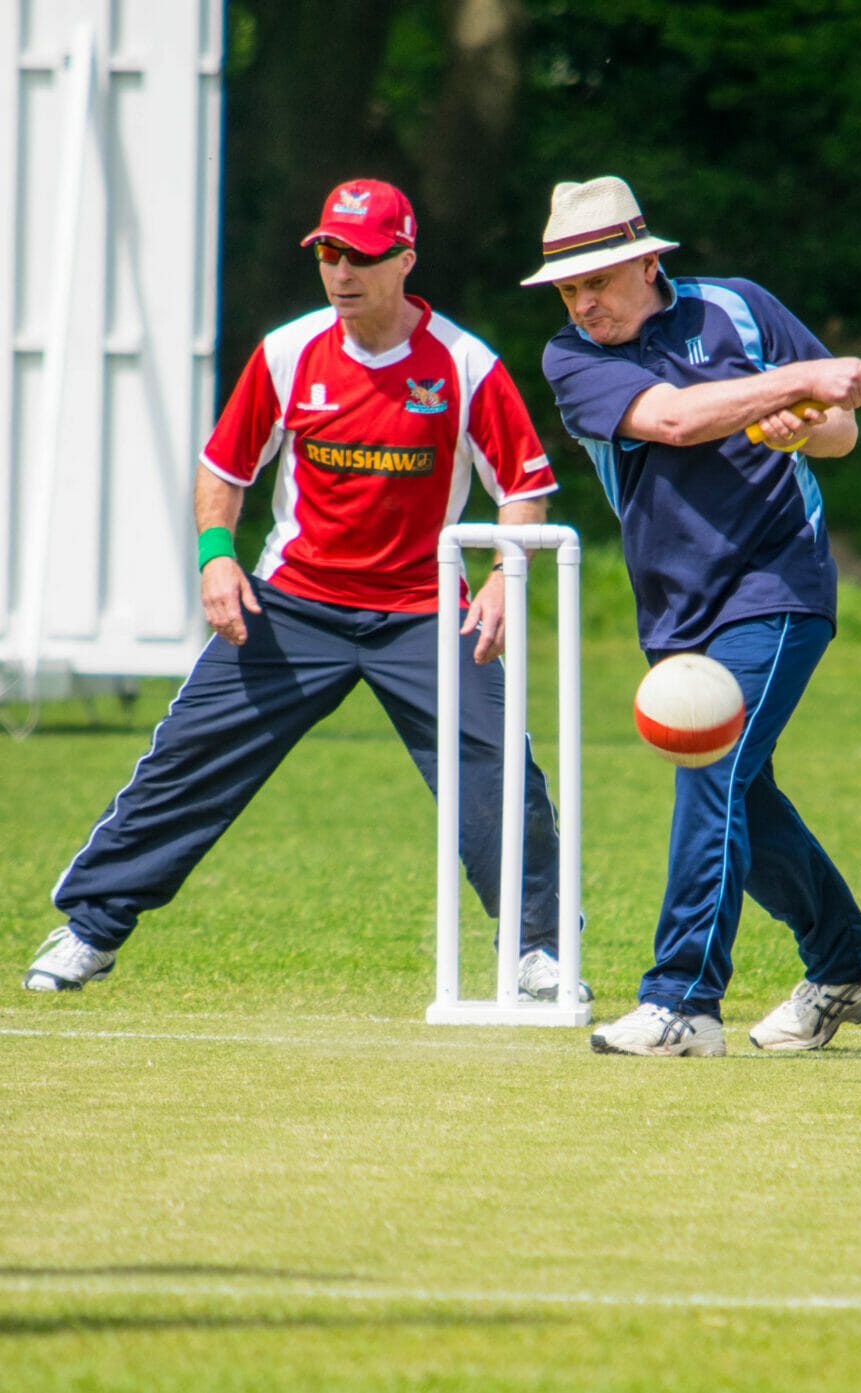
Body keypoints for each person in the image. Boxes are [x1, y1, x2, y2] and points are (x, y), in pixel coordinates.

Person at [22, 178, 586, 1004]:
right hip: (291, 604)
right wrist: (218, 558)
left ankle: (538, 949)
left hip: (423, 611)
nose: (340, 270)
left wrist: (505, 572)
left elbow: (524, 484)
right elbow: (223, 471)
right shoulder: (289, 353)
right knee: (187, 759)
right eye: (328, 251)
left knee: (498, 767)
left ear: (404, 259)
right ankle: (90, 931)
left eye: (359, 254)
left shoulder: (466, 364)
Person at [524, 176, 861, 1057]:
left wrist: (800, 425)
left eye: (599, 282)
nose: (584, 303)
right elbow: (677, 418)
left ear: (648, 261)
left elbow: (839, 432)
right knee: (744, 796)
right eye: (569, 289)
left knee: (713, 776)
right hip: (678, 614)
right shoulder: (571, 359)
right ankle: (849, 963)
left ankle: (684, 1001)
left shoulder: (740, 307)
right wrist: (795, 382)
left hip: (778, 583)